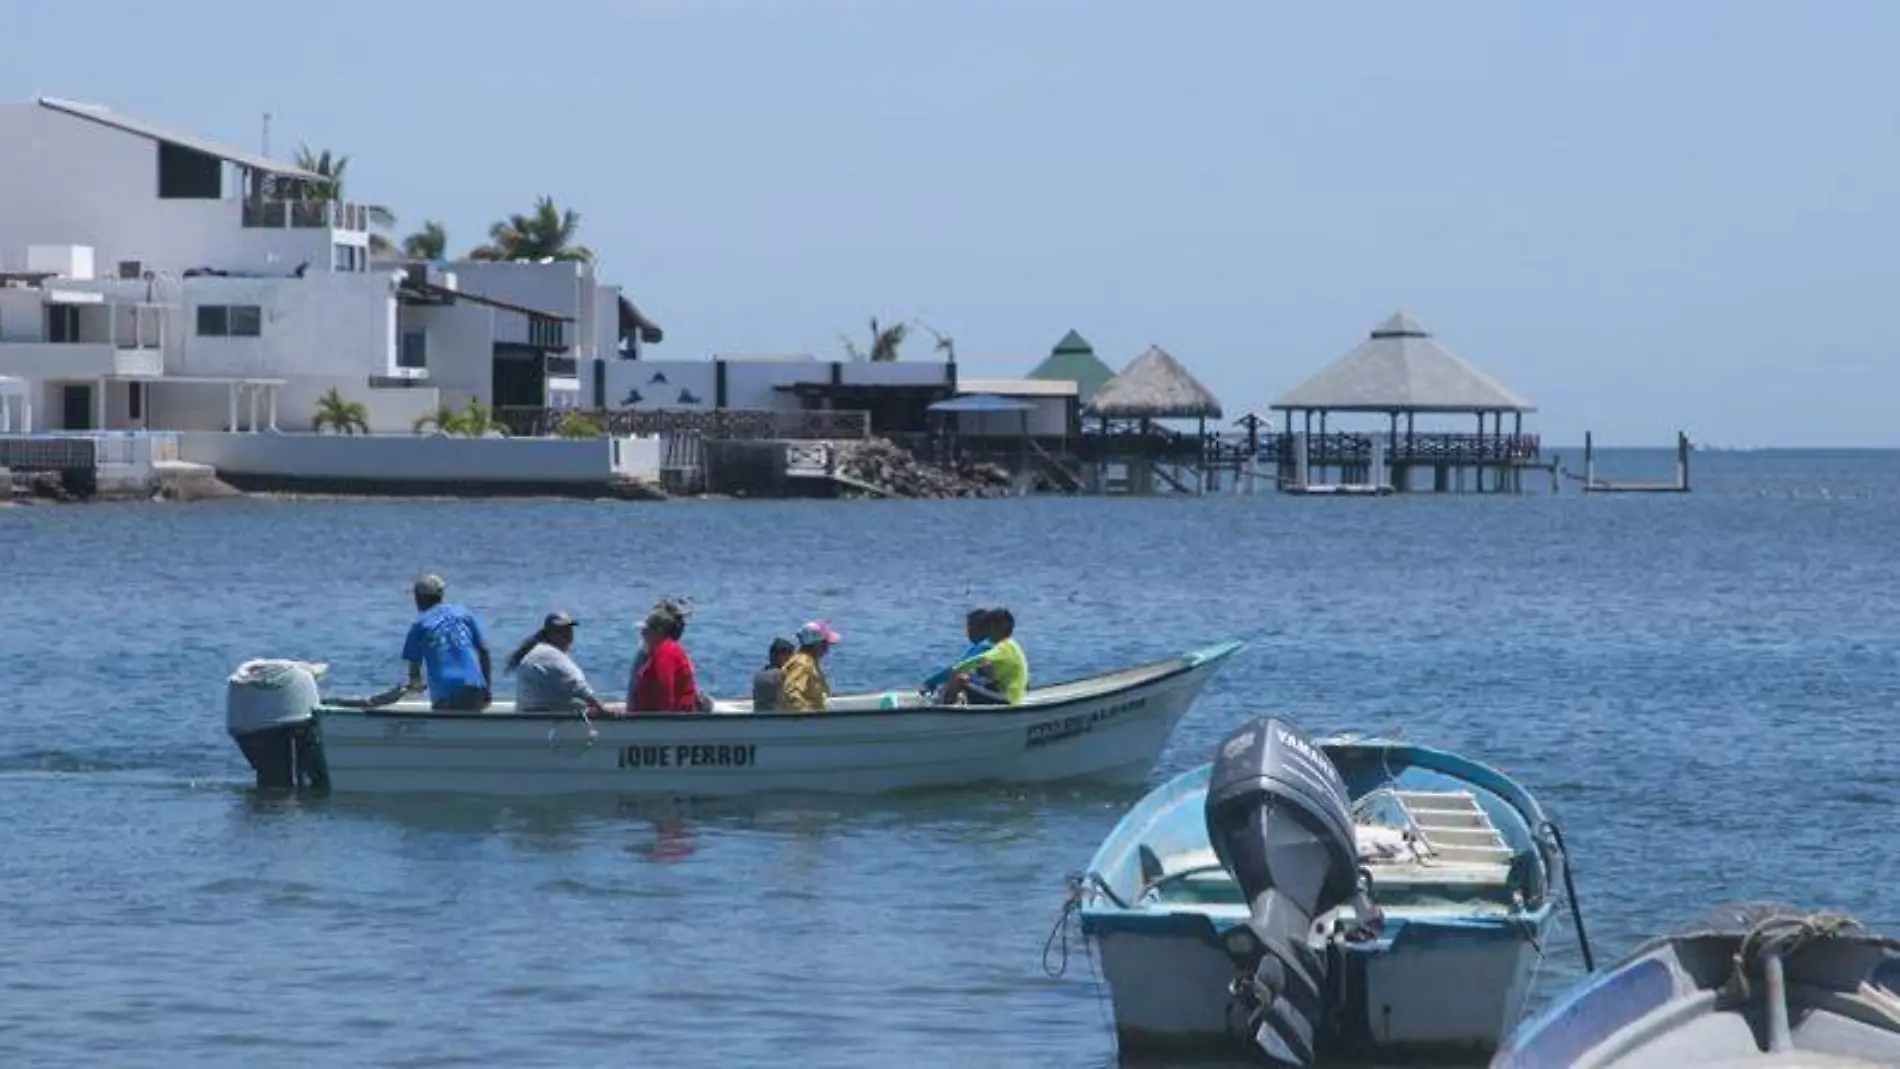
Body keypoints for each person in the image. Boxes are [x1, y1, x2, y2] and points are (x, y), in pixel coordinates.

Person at [398, 573, 492, 711]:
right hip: (476, 687)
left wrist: (415, 685)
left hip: (446, 693)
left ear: (419, 598)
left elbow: (415, 673)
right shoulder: (463, 613)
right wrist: (487, 689)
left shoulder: (419, 625)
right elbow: (484, 651)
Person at [505, 611, 610, 716]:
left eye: (569, 630)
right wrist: (602, 709)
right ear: (550, 633)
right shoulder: (550, 655)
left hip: (528, 715)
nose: (567, 635)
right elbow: (578, 685)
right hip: (545, 718)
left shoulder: (537, 651)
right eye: (561, 631)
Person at [942, 606, 1028, 706]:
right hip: (1007, 692)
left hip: (1008, 698)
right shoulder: (1011, 644)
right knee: (971, 674)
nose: (987, 632)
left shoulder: (1004, 647)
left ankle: (944, 711)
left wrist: (958, 668)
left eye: (988, 628)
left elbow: (980, 659)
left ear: (995, 628)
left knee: (959, 678)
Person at [629, 609, 702, 713]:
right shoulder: (663, 651)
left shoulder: (665, 654)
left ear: (659, 632)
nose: (643, 635)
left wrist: (660, 724)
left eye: (646, 631)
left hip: (662, 724)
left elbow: (664, 694)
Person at [921, 607, 995, 698]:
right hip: (985, 686)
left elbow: (958, 668)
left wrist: (930, 683)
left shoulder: (985, 647)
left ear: (982, 628)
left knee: (959, 676)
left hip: (992, 692)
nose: (967, 631)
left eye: (970, 626)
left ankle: (943, 707)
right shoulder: (979, 645)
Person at [778, 620, 840, 713]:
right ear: (816, 644)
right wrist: (808, 714)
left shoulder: (811, 662)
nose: (827, 649)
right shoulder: (802, 663)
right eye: (825, 644)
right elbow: (791, 692)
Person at [753, 636, 795, 711]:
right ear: (781, 655)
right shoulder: (780, 675)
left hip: (760, 716)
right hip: (778, 719)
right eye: (790, 655)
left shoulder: (759, 674)